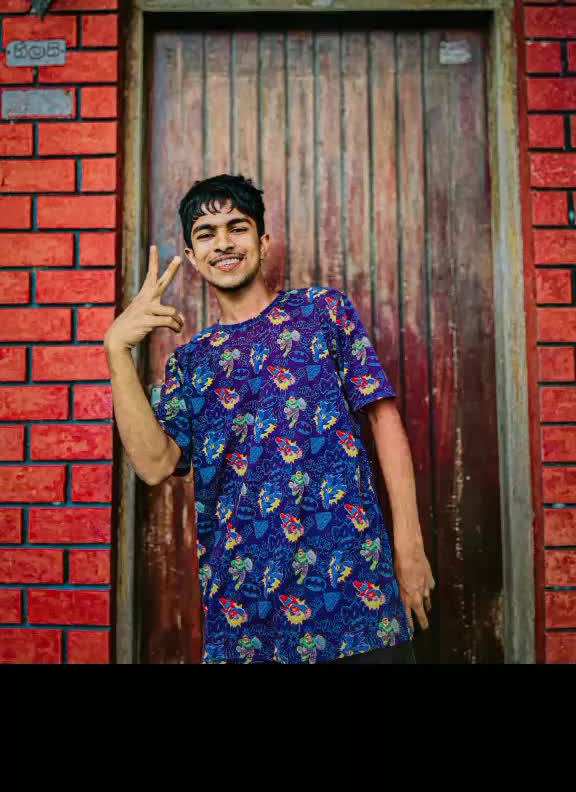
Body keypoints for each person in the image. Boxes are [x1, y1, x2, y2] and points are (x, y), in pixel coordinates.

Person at [105, 173, 435, 664]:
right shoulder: (190, 363)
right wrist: (116, 350)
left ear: (262, 242)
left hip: (357, 597)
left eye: (236, 228)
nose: (223, 243)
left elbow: (384, 421)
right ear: (192, 257)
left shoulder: (323, 312)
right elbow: (155, 465)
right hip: (248, 617)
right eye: (206, 234)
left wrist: (409, 546)